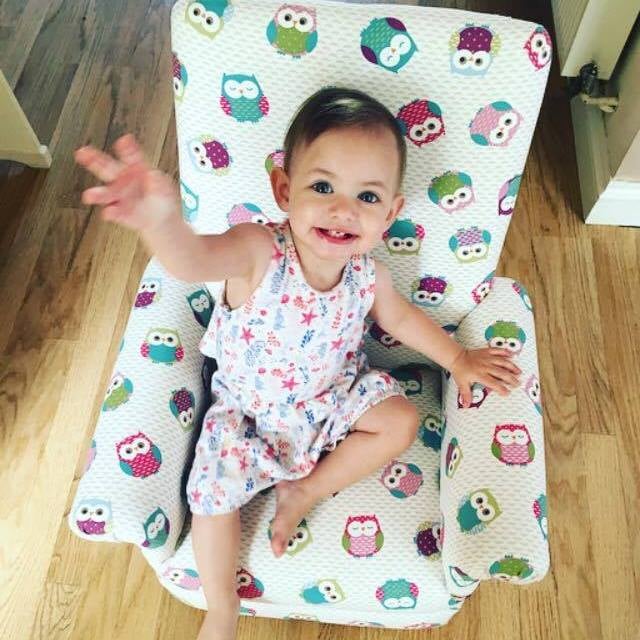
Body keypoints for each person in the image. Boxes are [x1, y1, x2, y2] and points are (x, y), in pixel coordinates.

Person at [75, 87, 521, 640]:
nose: (343, 210)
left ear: (390, 214)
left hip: (330, 400)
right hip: (246, 413)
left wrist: (459, 359)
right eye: (322, 187)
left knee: (401, 421)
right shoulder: (258, 250)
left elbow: (402, 321)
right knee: (212, 496)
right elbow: (191, 260)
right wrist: (159, 223)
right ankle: (221, 607)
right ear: (284, 190)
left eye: (367, 197)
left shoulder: (368, 275)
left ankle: (306, 490)